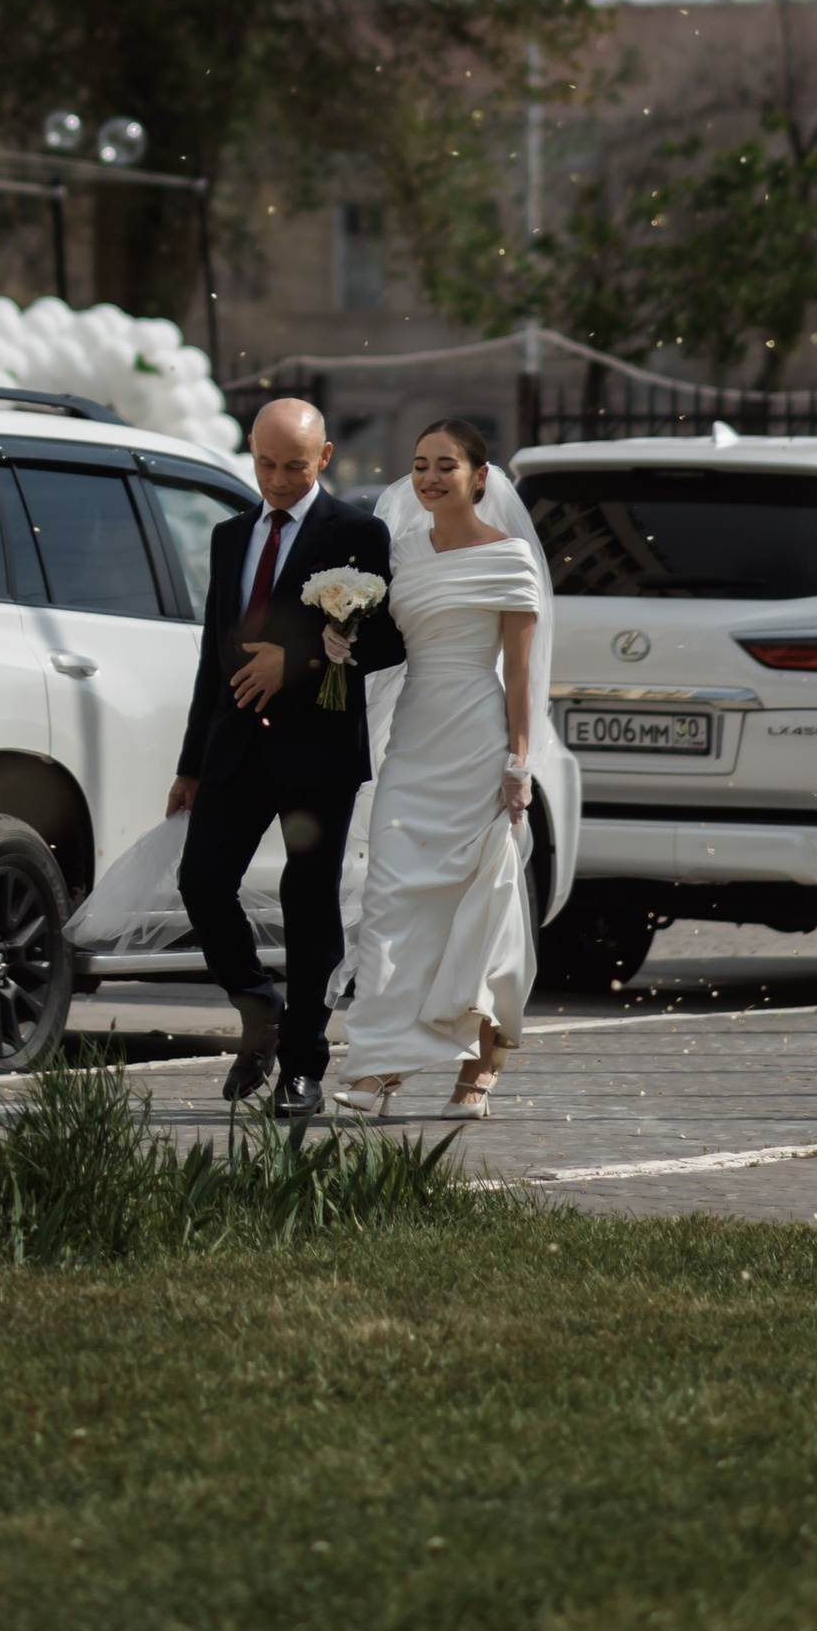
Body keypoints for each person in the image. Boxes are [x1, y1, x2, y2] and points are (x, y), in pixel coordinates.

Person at [168, 395, 402, 1117]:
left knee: (309, 905)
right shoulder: (229, 535)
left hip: (318, 750)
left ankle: (304, 1065)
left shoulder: (357, 530)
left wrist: (295, 659)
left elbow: (387, 641)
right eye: (265, 462)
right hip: (235, 745)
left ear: (324, 458)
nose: (276, 478)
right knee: (202, 882)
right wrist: (191, 762)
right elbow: (215, 655)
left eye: (293, 465)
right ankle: (257, 1007)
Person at [337, 416, 547, 1122]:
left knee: (476, 902)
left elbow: (519, 674)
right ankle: (377, 1065)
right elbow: (388, 645)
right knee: (389, 900)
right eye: (420, 464)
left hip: (478, 743)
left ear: (479, 477)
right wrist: (342, 639)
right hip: (414, 741)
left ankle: (481, 1062)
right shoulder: (401, 554)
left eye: (446, 465)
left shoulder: (510, 557)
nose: (429, 477)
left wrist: (520, 762)